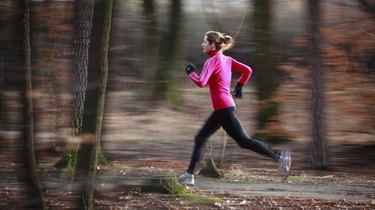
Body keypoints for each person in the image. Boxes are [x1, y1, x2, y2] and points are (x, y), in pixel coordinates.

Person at [178, 31, 291, 186]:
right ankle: (279, 158)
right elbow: (248, 70)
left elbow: (201, 82)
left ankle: (189, 175)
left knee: (203, 138)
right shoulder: (227, 59)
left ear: (212, 44)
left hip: (223, 109)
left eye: (204, 41)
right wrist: (240, 86)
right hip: (226, 107)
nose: (202, 44)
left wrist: (190, 73)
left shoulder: (211, 61)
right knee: (242, 142)